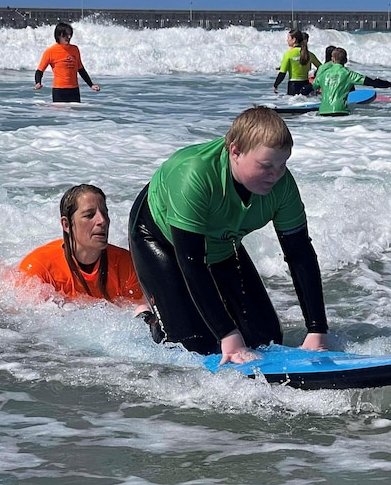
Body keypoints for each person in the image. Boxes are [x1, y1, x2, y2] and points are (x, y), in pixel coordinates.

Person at [128, 107, 329, 364]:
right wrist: (228, 335)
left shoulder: (282, 185)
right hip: (160, 238)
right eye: (266, 165)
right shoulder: (194, 175)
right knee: (193, 348)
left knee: (267, 340)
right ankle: (152, 317)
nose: (276, 175)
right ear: (235, 151)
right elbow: (193, 264)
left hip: (220, 241)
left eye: (283, 164)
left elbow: (300, 254)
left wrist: (316, 329)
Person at [18, 184, 145, 312]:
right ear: (66, 224)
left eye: (105, 213)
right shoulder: (39, 269)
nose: (102, 221)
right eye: (89, 215)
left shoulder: (127, 265)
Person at [311, 47, 391, 116]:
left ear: (332, 60)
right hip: (341, 112)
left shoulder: (323, 75)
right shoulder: (349, 74)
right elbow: (372, 82)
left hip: (323, 112)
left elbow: (309, 88)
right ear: (345, 60)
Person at [34, 22, 101, 103]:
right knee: (61, 115)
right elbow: (40, 70)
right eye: (65, 35)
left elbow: (81, 69)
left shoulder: (75, 49)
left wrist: (91, 85)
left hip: (74, 90)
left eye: (70, 35)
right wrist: (38, 82)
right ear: (58, 35)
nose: (68, 37)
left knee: (75, 115)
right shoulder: (50, 51)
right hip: (59, 90)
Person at [273, 30, 321, 96]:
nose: (287, 40)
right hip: (306, 85)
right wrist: (316, 80)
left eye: (288, 38)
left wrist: (275, 85)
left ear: (294, 40)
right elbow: (321, 68)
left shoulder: (288, 54)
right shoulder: (309, 54)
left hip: (293, 87)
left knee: (294, 105)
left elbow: (282, 73)